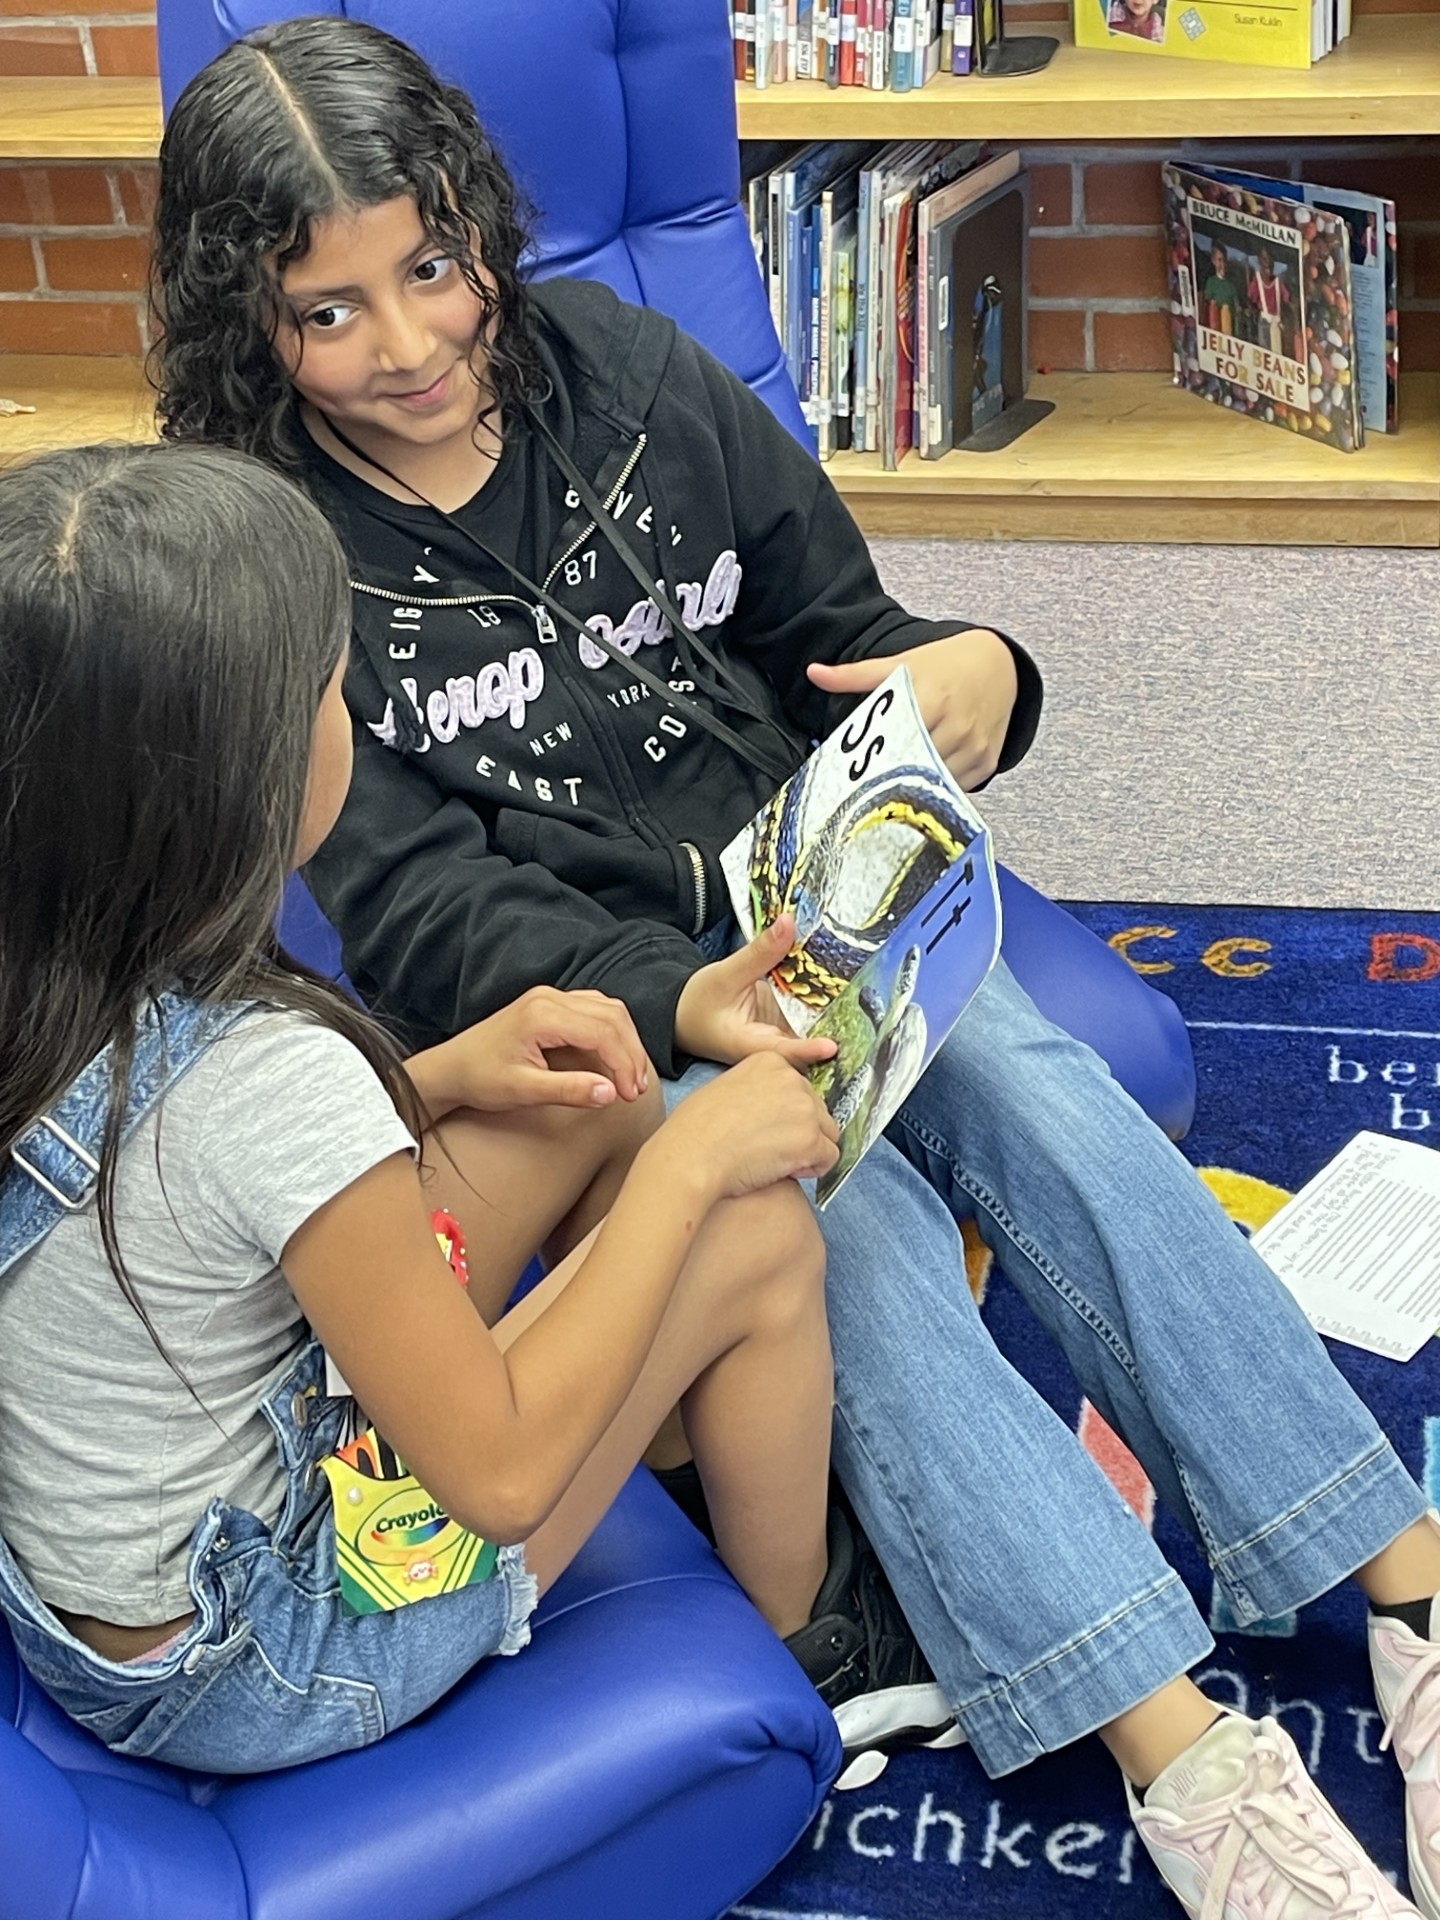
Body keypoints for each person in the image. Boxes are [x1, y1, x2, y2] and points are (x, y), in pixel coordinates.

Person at [151, 19, 1440, 1914]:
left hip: (830, 916)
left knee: (1040, 1092)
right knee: (838, 1216)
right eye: (330, 312)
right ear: (243, 321)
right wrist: (683, 1003)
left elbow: (855, 634)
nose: (412, 344)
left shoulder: (633, 372)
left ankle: (1396, 1582)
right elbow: (420, 913)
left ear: (481, 230)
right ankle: (1181, 1746)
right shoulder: (274, 550)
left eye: (431, 269)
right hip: (583, 1021)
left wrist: (988, 671)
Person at [0, 440, 863, 1776]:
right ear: (250, 778)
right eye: (334, 693)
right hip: (271, 1657)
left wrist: (443, 1075)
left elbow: (177, 1170)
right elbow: (501, 1476)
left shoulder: (47, 961)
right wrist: (694, 1161)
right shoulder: (270, 1077)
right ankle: (803, 1651)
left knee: (581, 1104)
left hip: (110, 1594)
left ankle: (693, 1425)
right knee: (756, 1234)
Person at [1203, 239, 1244, 336]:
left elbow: (1236, 305)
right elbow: (1208, 303)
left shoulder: (1231, 285)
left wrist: (1240, 309)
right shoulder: (1211, 282)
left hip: (1229, 326)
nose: (1223, 265)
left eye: (1225, 260)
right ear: (1213, 260)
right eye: (1219, 260)